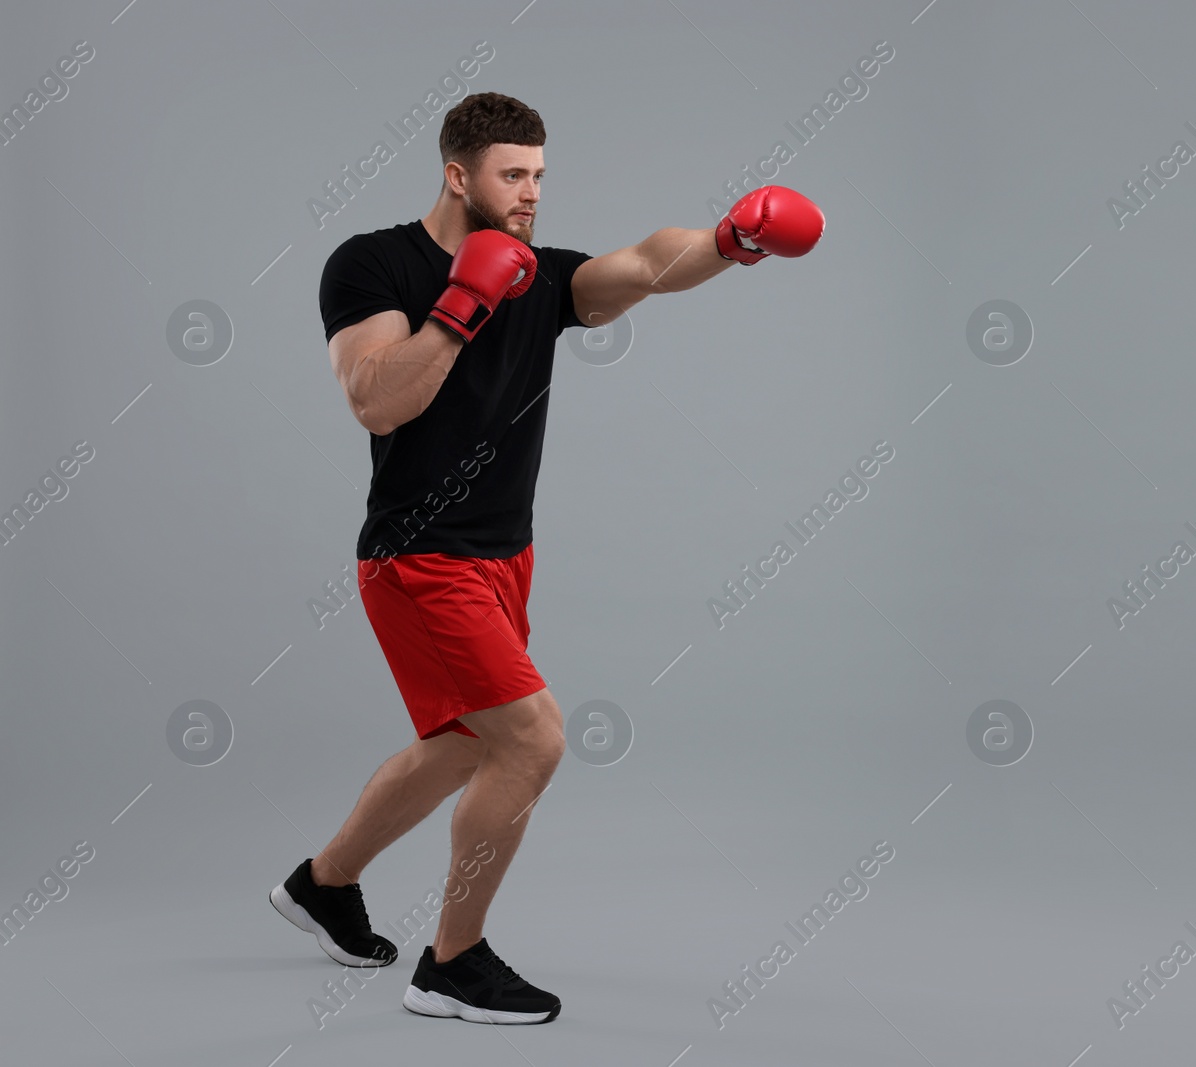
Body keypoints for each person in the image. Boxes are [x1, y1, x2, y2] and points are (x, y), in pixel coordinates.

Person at [268, 91, 823, 1025]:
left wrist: (732, 241)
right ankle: (452, 963)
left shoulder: (542, 277)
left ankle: (325, 885)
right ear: (458, 174)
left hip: (502, 557)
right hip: (419, 554)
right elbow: (375, 400)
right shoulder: (373, 263)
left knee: (459, 745)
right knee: (530, 739)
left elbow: (646, 263)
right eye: (511, 175)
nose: (529, 193)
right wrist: (461, 303)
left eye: (538, 175)